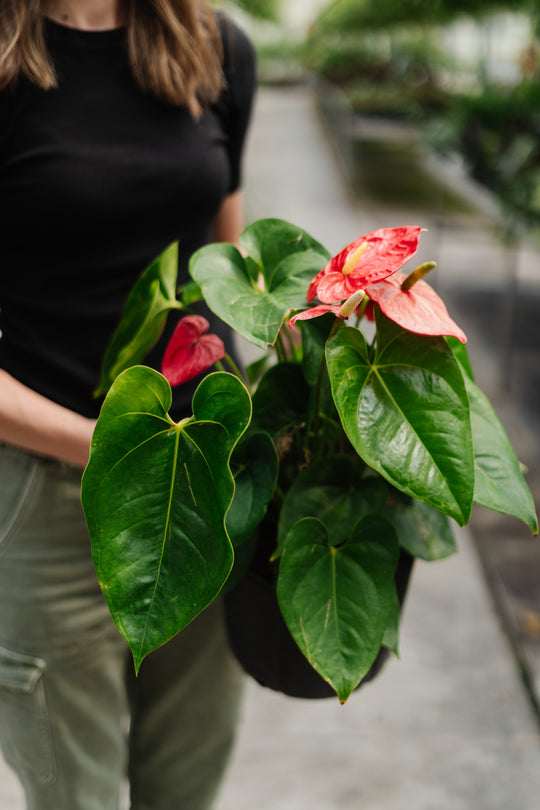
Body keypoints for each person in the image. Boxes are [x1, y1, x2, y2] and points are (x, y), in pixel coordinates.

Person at [0, 1, 256, 808]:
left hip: (209, 489)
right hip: (49, 493)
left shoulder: (215, 47)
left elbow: (230, 266)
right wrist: (115, 449)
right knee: (72, 795)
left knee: (185, 788)